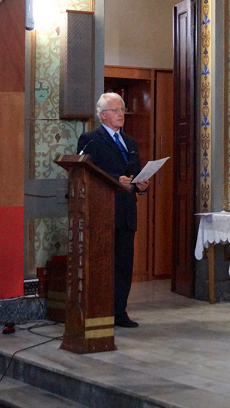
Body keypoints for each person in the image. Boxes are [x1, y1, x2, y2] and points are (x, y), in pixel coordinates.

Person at [77, 93, 149, 328]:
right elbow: (84, 173)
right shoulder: (90, 139)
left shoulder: (131, 142)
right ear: (102, 114)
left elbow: (134, 175)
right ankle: (99, 311)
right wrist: (115, 180)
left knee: (124, 265)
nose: (121, 114)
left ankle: (120, 312)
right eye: (116, 110)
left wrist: (141, 185)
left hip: (126, 212)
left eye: (122, 109)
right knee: (102, 265)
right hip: (103, 213)